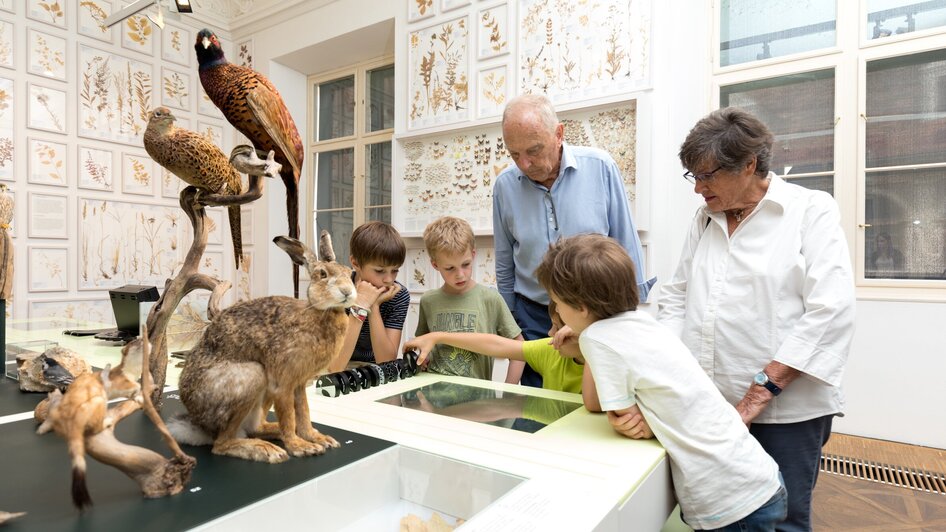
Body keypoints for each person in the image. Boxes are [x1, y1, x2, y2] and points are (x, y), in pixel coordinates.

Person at [661, 107, 856, 532]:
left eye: (707, 175)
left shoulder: (810, 210)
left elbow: (832, 308)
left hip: (785, 411)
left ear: (749, 164)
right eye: (692, 176)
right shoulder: (705, 218)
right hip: (712, 404)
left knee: (783, 519)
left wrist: (760, 392)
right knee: (717, 514)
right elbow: (676, 296)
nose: (698, 188)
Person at [536, 233, 787, 531]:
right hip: (758, 477)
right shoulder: (645, 323)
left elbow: (598, 405)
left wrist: (588, 345)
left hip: (729, 503)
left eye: (557, 303)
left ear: (581, 307)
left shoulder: (598, 339)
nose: (557, 312)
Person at [493, 93, 654, 388]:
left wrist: (629, 316)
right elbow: (504, 259)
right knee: (536, 403)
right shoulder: (505, 186)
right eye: (514, 154)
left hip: (592, 311)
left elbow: (625, 244)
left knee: (594, 399)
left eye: (534, 149)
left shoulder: (601, 167)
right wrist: (509, 318)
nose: (525, 163)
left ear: (558, 134)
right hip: (534, 315)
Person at [415, 216, 524, 382]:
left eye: (465, 265)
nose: (460, 275)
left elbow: (519, 349)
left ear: (473, 255)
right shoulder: (428, 301)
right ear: (435, 265)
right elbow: (422, 345)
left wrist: (509, 392)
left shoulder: (490, 299)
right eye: (450, 268)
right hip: (433, 397)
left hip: (478, 402)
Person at [330, 221, 410, 372]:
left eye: (395, 271)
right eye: (380, 271)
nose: (389, 280)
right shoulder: (337, 292)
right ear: (356, 263)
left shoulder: (398, 295)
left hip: (373, 371)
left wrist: (373, 306)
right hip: (337, 370)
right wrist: (360, 305)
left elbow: (386, 362)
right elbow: (335, 366)